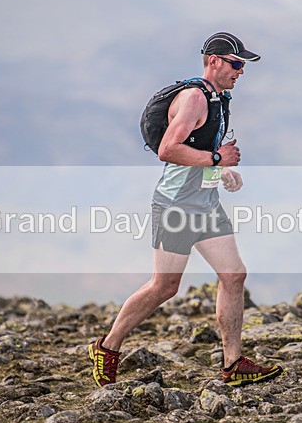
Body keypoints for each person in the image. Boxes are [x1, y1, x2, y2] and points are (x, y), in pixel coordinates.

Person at [88, 32, 283, 388]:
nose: (241, 72)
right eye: (237, 64)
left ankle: (233, 363)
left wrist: (224, 171)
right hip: (176, 205)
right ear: (214, 61)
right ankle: (107, 347)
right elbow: (168, 150)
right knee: (164, 286)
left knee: (234, 275)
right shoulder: (194, 98)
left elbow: (199, 152)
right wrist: (217, 158)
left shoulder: (219, 99)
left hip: (205, 202)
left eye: (243, 66)